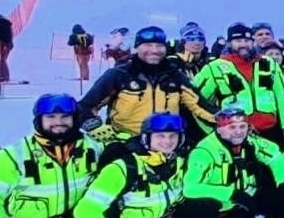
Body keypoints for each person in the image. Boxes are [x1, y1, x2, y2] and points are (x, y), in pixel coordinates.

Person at [79, 26, 217, 144]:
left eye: (159, 45)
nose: (155, 50)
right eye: (148, 45)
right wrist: (93, 125)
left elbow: (199, 105)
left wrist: (229, 120)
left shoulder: (175, 76)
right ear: (137, 47)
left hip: (166, 143)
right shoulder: (119, 75)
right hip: (126, 143)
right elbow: (85, 107)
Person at [193, 24, 284, 147]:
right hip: (235, 134)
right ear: (229, 43)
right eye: (238, 41)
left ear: (253, 42)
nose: (243, 44)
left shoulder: (269, 63)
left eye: (247, 40)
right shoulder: (214, 67)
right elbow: (196, 100)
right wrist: (213, 129)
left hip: (271, 131)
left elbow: (281, 97)